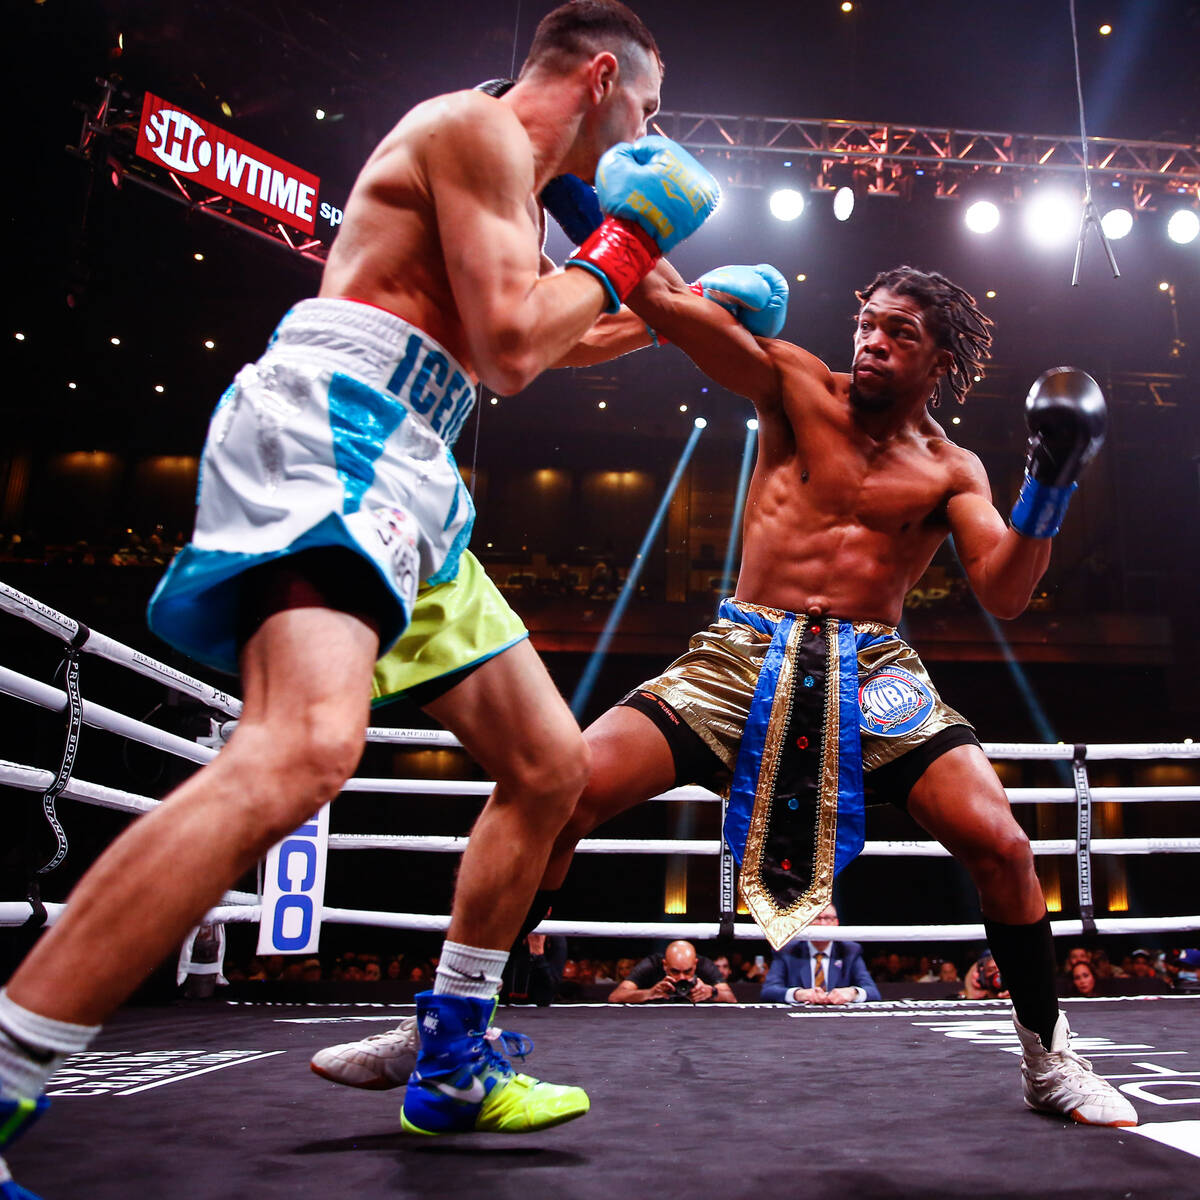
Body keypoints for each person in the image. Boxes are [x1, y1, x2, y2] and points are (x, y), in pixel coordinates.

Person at [0, 1, 724, 1168]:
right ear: (602, 77)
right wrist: (629, 246)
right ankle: (9, 1067)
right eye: (648, 108)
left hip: (413, 473)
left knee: (550, 769)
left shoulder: (518, 186)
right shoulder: (477, 132)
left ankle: (448, 1064)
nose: (648, 133)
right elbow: (509, 347)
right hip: (339, 430)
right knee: (298, 752)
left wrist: (673, 320)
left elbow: (545, 329)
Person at [521, 263, 1135, 1126]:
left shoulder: (954, 471)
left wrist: (1050, 480)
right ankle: (456, 1026)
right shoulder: (795, 385)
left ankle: (1049, 1060)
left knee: (1003, 843)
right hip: (743, 652)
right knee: (561, 790)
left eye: (901, 333)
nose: (874, 341)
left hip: (874, 668)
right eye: (870, 324)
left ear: (941, 361)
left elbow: (1003, 590)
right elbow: (663, 304)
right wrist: (591, 197)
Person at [760, 903, 881, 1005]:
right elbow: (768, 991)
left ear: (836, 923)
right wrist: (798, 994)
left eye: (828, 918)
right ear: (806, 922)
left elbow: (873, 991)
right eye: (817, 918)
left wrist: (853, 993)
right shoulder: (787, 950)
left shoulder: (850, 950)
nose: (823, 924)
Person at [607, 940, 737, 1004]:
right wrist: (649, 993)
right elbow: (616, 996)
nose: (682, 977)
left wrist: (711, 992)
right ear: (665, 965)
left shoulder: (705, 965)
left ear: (695, 964)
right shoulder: (652, 964)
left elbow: (731, 998)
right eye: (675, 971)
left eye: (687, 971)